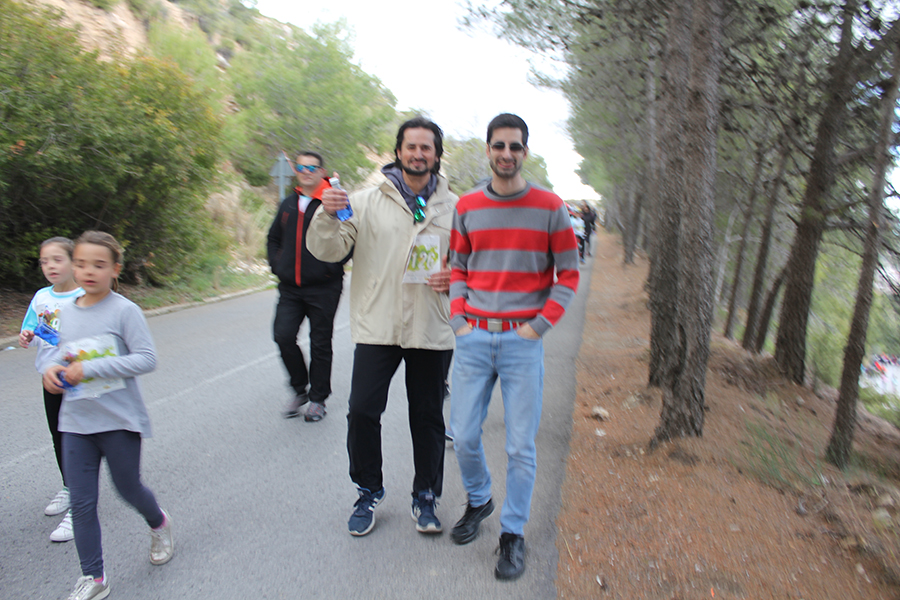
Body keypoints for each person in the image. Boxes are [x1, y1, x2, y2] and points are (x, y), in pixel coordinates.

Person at [307, 116, 456, 537]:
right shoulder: (364, 201)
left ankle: (425, 495)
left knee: (427, 417)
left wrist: (458, 277)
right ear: (398, 152)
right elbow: (329, 250)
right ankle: (368, 490)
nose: (418, 154)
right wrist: (326, 215)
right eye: (411, 146)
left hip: (430, 326)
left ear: (437, 155)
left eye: (426, 147)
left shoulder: (456, 207)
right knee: (362, 411)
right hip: (378, 326)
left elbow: (473, 261)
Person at [448, 113, 580, 580]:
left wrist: (538, 327)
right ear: (488, 150)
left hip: (523, 341)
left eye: (515, 146)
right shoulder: (467, 206)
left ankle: (512, 533)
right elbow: (458, 266)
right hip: (473, 338)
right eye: (499, 146)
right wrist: (458, 320)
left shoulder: (550, 206)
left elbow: (569, 274)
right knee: (463, 434)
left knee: (521, 446)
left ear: (525, 151)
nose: (507, 154)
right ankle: (479, 498)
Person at [42, 231, 173, 600]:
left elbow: (146, 359)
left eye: (99, 265)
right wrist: (52, 372)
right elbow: (58, 354)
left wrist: (91, 369)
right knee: (82, 502)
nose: (89, 271)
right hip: (76, 422)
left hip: (118, 421)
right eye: (81, 264)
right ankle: (94, 577)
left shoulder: (125, 311)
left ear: (115, 269)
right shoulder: (63, 312)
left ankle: (159, 523)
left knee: (128, 488)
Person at [267, 151, 350, 422]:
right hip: (290, 287)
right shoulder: (288, 203)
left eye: (312, 168)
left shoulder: (334, 201)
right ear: (296, 170)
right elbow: (273, 238)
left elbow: (350, 236)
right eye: (301, 167)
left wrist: (331, 266)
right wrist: (277, 266)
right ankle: (299, 389)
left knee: (320, 343)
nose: (306, 172)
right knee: (282, 335)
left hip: (324, 287)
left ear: (321, 171)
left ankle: (318, 399)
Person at [19, 236, 83, 543]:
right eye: (44, 261)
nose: (50, 266)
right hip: (50, 379)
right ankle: (70, 487)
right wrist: (27, 336)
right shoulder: (41, 297)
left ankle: (81, 503)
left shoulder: (84, 295)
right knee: (58, 435)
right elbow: (32, 331)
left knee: (79, 439)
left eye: (57, 260)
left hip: (79, 380)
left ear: (73, 262)